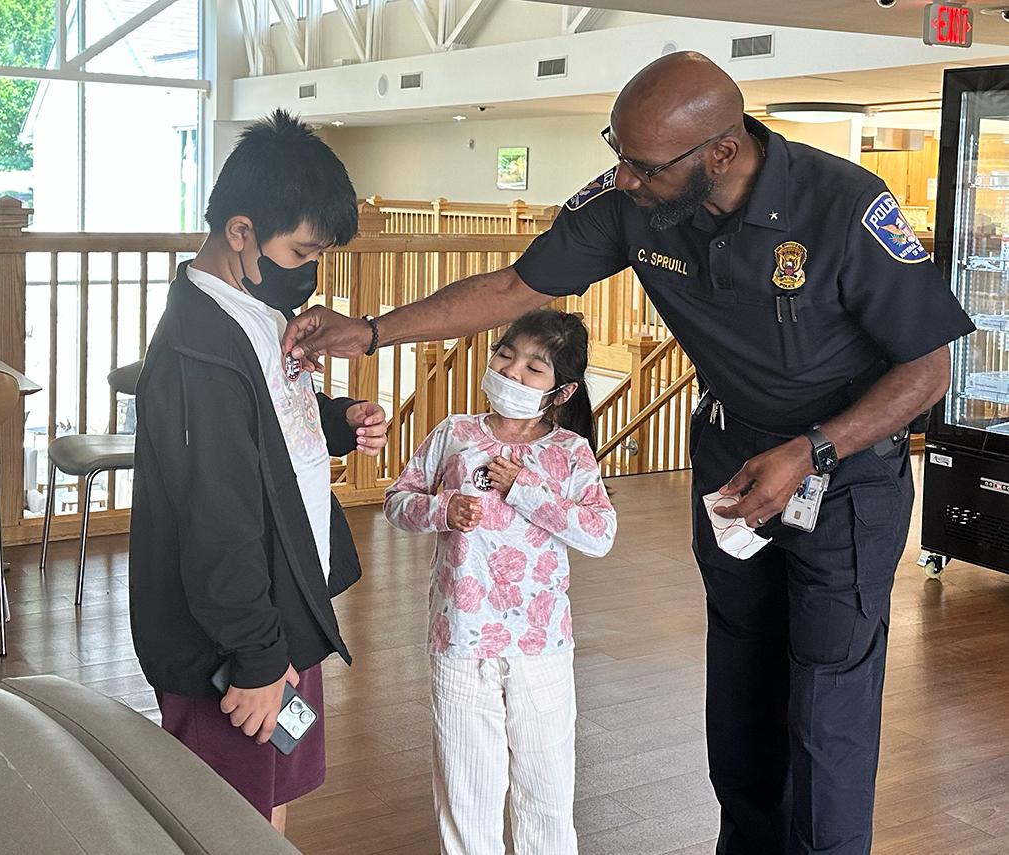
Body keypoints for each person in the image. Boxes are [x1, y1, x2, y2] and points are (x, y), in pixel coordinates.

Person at [282, 53, 976, 854]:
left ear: (719, 151)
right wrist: (370, 333)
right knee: (741, 681)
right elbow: (516, 287)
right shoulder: (633, 200)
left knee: (827, 698)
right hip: (733, 462)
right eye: (618, 151)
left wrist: (813, 448)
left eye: (642, 166)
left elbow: (929, 367)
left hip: (843, 468)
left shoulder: (842, 206)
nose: (623, 178)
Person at [128, 110, 389, 834]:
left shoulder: (256, 310)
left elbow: (273, 426)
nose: (309, 271)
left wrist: (340, 419)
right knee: (226, 823)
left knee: (267, 805)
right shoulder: (198, 355)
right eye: (303, 250)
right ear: (240, 232)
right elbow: (220, 519)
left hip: (279, 612)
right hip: (238, 635)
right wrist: (256, 657)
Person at [384, 309, 616, 855]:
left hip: (542, 644)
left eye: (534, 368)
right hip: (461, 636)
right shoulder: (454, 433)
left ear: (560, 392)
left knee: (547, 786)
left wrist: (525, 489)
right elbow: (398, 502)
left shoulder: (570, 453)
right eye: (506, 356)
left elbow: (599, 533)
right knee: (466, 789)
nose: (512, 373)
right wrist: (442, 509)